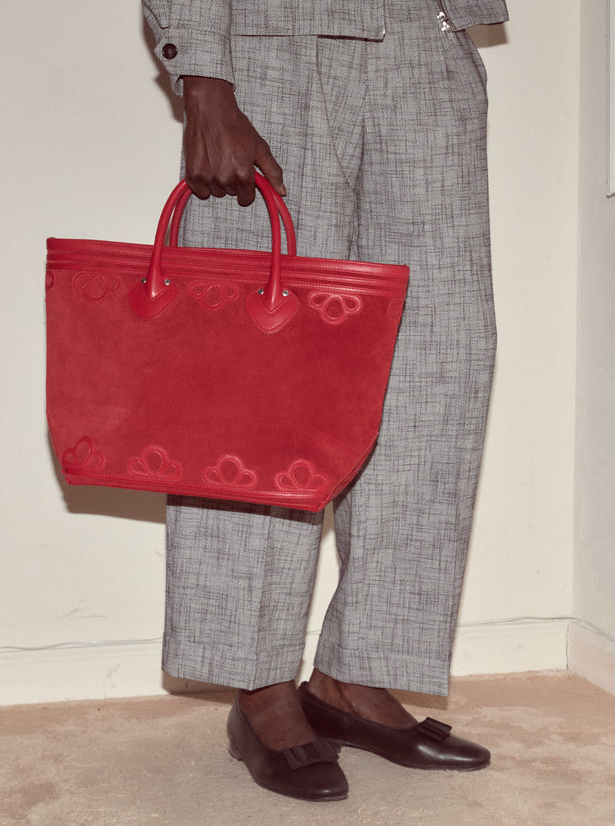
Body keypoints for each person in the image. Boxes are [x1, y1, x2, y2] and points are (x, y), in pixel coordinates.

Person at [142, 0, 509, 802]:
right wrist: (206, 77)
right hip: (270, 51)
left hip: (425, 43)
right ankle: (259, 683)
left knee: (435, 369)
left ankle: (357, 673)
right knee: (260, 383)